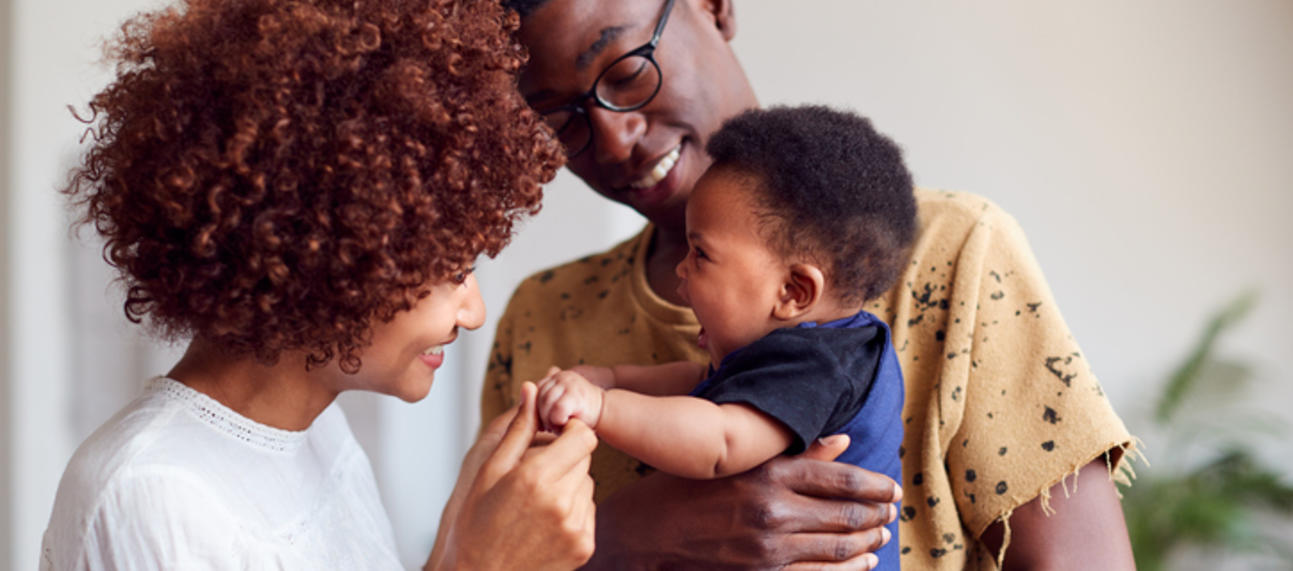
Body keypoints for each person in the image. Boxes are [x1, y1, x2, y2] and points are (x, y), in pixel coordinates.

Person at [481, 0, 1140, 568]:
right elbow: (486, 552)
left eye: (626, 72)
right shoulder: (539, 316)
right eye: (559, 118)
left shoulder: (953, 250)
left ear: (713, 6)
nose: (614, 135)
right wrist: (621, 536)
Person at [41, 0, 597, 568]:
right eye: (454, 269)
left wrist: (462, 528)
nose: (473, 312)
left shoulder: (317, 432)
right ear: (326, 249)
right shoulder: (152, 494)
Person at [533, 105, 912, 568]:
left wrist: (602, 407)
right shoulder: (819, 350)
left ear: (793, 291)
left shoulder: (819, 365)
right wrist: (611, 377)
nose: (681, 268)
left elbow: (719, 442)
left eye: (701, 253)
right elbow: (697, 384)